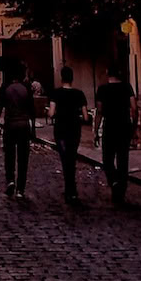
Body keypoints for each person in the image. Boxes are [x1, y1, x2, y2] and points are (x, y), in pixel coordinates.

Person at [94, 63, 136, 204]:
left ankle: (113, 181)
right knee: (123, 159)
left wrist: (95, 130)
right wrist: (134, 126)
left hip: (110, 127)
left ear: (107, 73)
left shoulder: (102, 89)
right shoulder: (127, 87)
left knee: (108, 159)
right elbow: (134, 107)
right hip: (124, 126)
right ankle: (121, 190)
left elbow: (99, 111)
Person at [50, 65, 89, 206]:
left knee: (65, 160)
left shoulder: (56, 93)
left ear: (62, 78)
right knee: (71, 158)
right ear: (72, 79)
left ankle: (69, 189)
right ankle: (72, 190)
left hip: (60, 130)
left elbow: (51, 113)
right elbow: (85, 116)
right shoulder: (79, 94)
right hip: (74, 129)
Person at [0, 70, 35, 199]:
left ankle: (10, 180)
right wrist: (33, 129)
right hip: (24, 124)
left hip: (10, 124)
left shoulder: (6, 89)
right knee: (23, 158)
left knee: (9, 154)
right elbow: (32, 110)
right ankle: (20, 189)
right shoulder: (26, 90)